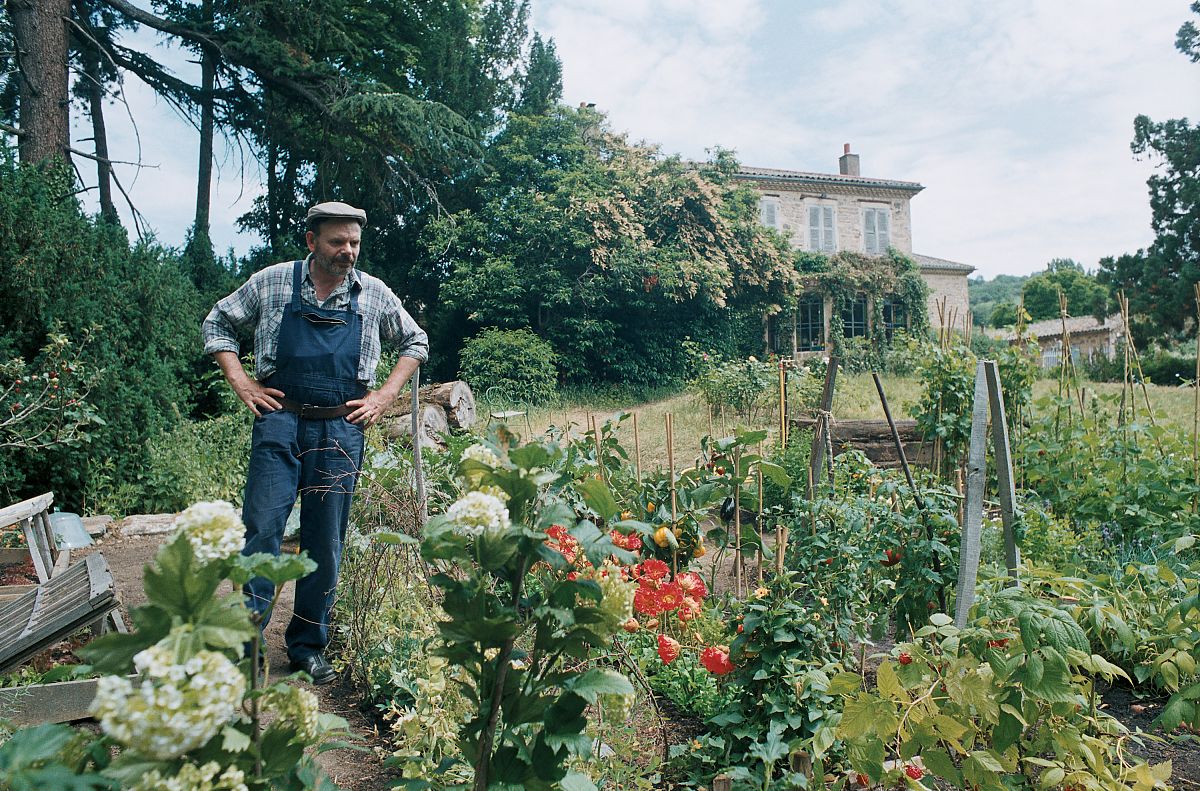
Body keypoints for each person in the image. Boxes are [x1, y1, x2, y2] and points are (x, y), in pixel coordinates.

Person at [201, 201, 428, 684]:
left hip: (340, 428)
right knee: (262, 530)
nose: (348, 252)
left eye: (354, 243)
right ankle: (245, 646)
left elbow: (415, 342)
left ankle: (306, 646)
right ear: (311, 241)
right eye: (337, 242)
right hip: (279, 421)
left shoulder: (374, 294)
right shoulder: (272, 282)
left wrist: (384, 396)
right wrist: (242, 384)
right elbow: (216, 323)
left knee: (324, 540)